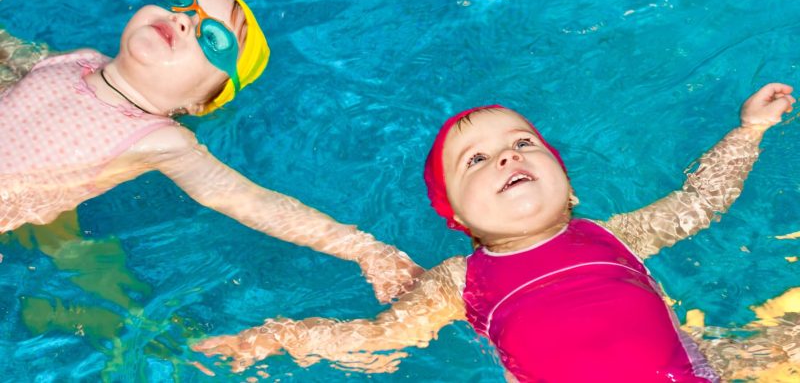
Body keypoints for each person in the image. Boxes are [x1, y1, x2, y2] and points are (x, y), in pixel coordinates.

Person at [194, 83, 797, 381]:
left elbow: (700, 202)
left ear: (568, 184)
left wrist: (748, 131)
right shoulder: (460, 280)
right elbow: (379, 335)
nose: (508, 156)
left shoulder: (616, 236)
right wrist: (273, 338)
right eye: (477, 161)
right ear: (457, 218)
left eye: (523, 143)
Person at [0, 0, 421, 303]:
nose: (183, 21)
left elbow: (251, 201)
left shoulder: (161, 140)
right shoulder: (78, 59)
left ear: (200, 102)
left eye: (213, 38)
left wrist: (366, 250)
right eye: (182, 3)